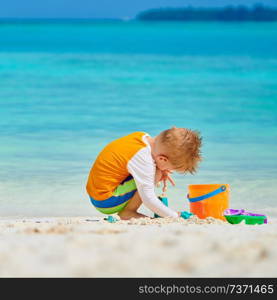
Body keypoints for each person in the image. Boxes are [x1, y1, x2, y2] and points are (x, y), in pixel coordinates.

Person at [86, 127, 202, 220]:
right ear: (162, 159)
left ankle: (128, 210)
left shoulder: (142, 137)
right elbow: (149, 199)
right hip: (105, 201)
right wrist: (174, 216)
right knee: (156, 173)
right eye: (170, 167)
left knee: (155, 170)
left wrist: (161, 168)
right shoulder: (144, 159)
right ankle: (128, 212)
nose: (167, 171)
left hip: (97, 193)